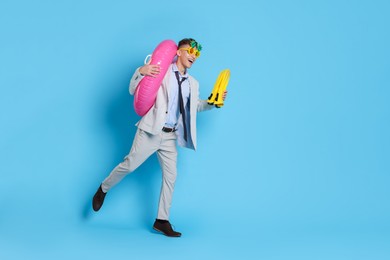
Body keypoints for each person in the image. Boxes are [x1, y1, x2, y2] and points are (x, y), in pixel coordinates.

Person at [92, 38, 227, 237]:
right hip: (151, 131)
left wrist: (212, 102)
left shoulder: (193, 83)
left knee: (171, 177)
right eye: (190, 51)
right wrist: (140, 72)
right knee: (129, 164)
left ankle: (161, 220)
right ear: (179, 52)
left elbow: (193, 106)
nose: (193, 56)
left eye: (196, 55)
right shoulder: (162, 71)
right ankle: (104, 188)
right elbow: (132, 90)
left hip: (171, 137)